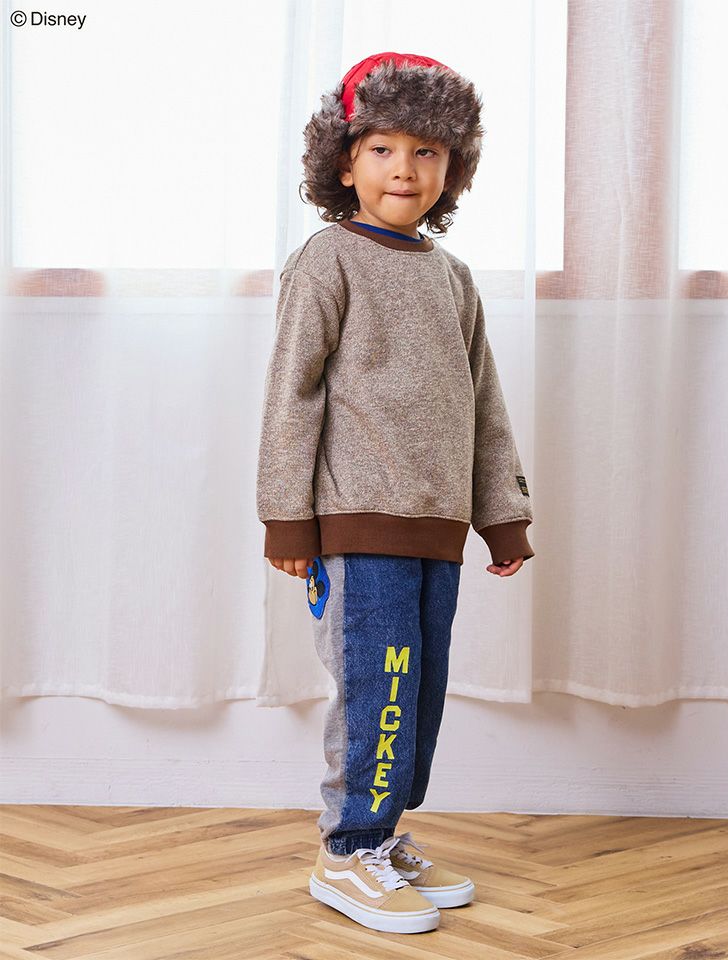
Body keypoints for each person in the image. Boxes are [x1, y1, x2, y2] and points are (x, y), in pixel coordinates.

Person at [256, 51, 535, 935]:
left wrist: (503, 516)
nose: (404, 169)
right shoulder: (327, 261)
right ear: (344, 162)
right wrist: (287, 518)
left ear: (453, 167)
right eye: (382, 149)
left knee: (419, 692)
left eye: (426, 151)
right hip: (355, 526)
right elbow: (291, 394)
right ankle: (346, 852)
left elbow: (483, 403)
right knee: (375, 688)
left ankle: (382, 836)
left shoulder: (452, 277)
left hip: (435, 529)